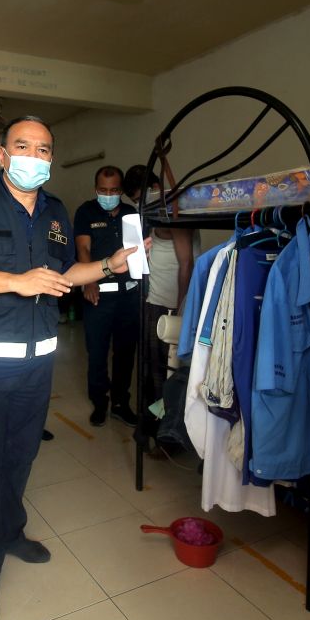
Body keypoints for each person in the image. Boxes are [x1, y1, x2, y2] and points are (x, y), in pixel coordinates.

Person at [0, 116, 135, 620]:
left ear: (50, 159)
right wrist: (16, 282)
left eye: (43, 149)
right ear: (3, 155)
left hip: (36, 364)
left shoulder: (56, 211)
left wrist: (113, 264)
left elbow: (65, 273)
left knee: (19, 458)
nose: (33, 155)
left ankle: (9, 532)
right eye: (22, 146)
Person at [123, 164, 199, 453]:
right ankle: (154, 430)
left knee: (164, 376)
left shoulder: (171, 213)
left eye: (143, 197)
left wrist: (180, 309)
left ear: (155, 188)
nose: (141, 204)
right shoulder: (157, 214)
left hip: (168, 307)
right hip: (154, 301)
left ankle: (166, 437)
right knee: (152, 373)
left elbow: (187, 263)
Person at [74, 166, 140, 428]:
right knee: (97, 352)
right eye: (103, 190)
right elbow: (83, 247)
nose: (108, 194)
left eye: (114, 190)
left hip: (128, 296)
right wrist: (89, 281)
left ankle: (121, 403)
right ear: (95, 188)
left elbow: (135, 251)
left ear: (121, 191)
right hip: (98, 295)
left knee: (125, 352)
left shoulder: (130, 213)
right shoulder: (86, 211)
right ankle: (99, 402)